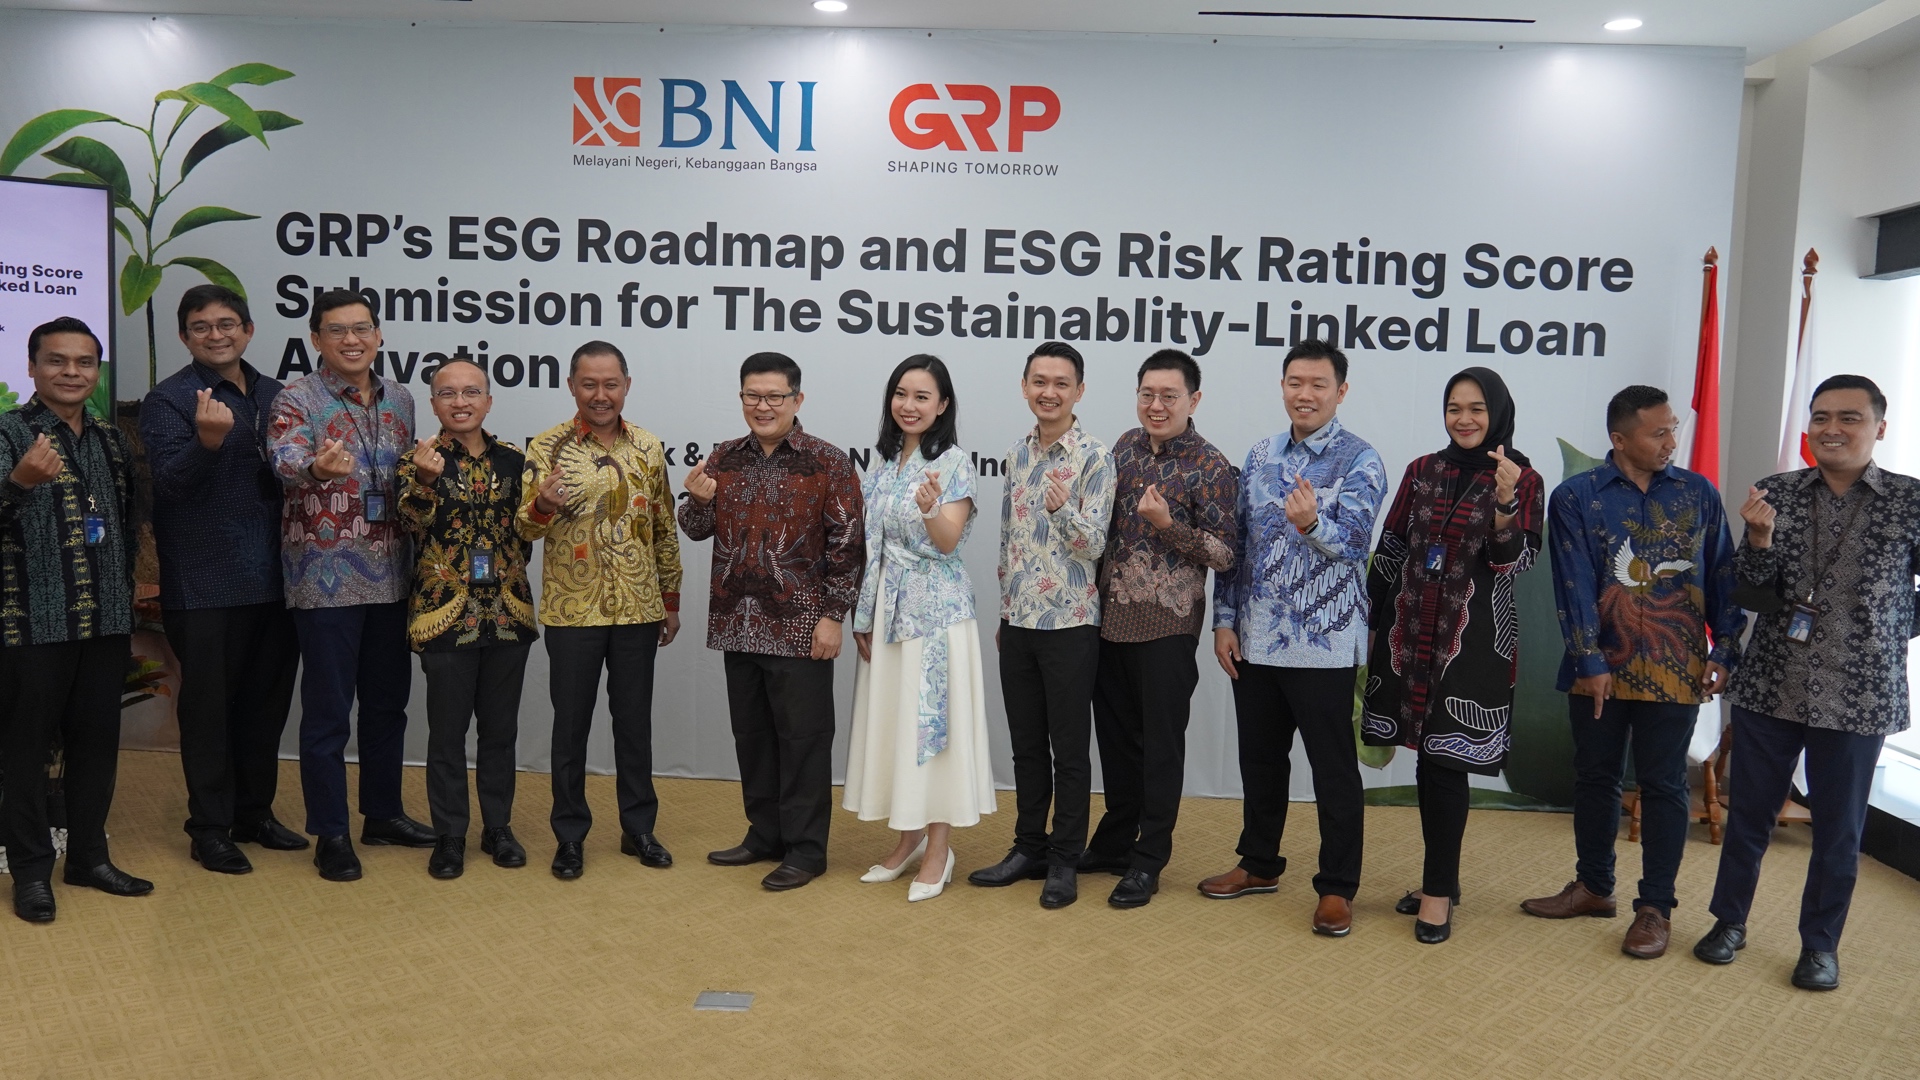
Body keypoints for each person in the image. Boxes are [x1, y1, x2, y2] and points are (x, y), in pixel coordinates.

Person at [1695, 374, 1920, 991]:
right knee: (1749, 817)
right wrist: (1760, 539)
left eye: (1849, 418)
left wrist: (1887, 628)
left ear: (1880, 426)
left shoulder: (1911, 501)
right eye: (1821, 417)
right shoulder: (1776, 493)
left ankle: (1820, 946)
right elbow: (1749, 594)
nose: (1831, 429)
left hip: (1860, 694)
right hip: (1774, 682)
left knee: (1839, 831)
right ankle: (1728, 923)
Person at [1522, 384, 1744, 959]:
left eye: (1674, 429)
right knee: (1595, 777)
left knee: (1664, 783)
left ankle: (1655, 909)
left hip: (1676, 663)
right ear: (1619, 440)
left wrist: (1724, 651)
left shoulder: (1698, 492)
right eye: (1658, 432)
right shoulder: (1577, 496)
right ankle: (1594, 887)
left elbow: (1722, 571)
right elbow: (1572, 582)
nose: (1672, 441)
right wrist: (1589, 658)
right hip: (1597, 662)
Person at [1205, 340, 1387, 937]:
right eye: (1294, 382)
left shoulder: (1360, 460)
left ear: (1341, 391)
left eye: (1318, 384)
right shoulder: (1260, 455)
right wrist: (1224, 620)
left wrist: (1311, 523)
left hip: (1324, 644)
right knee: (1260, 761)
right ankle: (1259, 863)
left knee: (1333, 770)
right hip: (1256, 639)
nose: (1304, 394)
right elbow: (1237, 547)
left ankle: (1337, 887)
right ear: (1282, 386)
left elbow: (1355, 544)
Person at [1361, 367, 1544, 943]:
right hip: (1409, 632)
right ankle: (1441, 880)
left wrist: (1506, 502)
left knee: (1445, 764)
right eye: (1453, 408)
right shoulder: (1422, 470)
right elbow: (1392, 547)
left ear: (1498, 413)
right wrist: (1371, 620)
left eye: (1476, 409)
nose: (1463, 419)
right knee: (1426, 761)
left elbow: (1514, 562)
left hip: (1473, 643)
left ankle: (1438, 893)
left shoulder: (1524, 478)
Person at [679, 352, 864, 892]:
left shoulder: (827, 462)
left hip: (801, 627)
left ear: (796, 400)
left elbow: (849, 545)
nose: (763, 406)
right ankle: (764, 834)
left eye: (774, 397)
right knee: (753, 737)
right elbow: (695, 528)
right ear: (741, 398)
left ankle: (806, 851)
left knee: (804, 740)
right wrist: (696, 501)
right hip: (736, 621)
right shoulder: (723, 457)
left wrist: (832, 616)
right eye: (752, 396)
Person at [269, 289, 432, 881]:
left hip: (392, 578)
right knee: (328, 715)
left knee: (388, 707)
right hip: (326, 581)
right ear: (316, 339)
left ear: (379, 335)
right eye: (336, 330)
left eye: (361, 328)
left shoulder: (402, 399)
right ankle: (331, 833)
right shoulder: (297, 398)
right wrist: (315, 468)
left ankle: (382, 814)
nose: (351, 340)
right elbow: (283, 460)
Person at [141, 285, 303, 875]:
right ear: (185, 336)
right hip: (204, 583)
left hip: (277, 578)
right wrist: (207, 444)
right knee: (209, 711)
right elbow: (169, 487)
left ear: (248, 330)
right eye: (202, 326)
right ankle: (209, 828)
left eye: (227, 323)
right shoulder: (169, 400)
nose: (216, 335)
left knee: (265, 705)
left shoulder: (278, 394)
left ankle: (253, 815)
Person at [0, 317, 150, 922]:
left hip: (105, 618)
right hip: (32, 621)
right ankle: (32, 872)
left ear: (96, 371)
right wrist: (17, 484)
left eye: (84, 362)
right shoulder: (8, 433)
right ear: (32, 367)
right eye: (57, 361)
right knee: (26, 750)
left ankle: (88, 857)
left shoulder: (111, 439)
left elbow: (125, 523)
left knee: (96, 744)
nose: (71, 372)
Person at [518, 341, 681, 880]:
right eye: (589, 384)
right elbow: (523, 528)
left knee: (634, 725)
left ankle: (639, 829)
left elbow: (663, 528)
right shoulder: (546, 447)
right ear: (571, 386)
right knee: (570, 728)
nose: (600, 394)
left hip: (638, 608)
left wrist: (670, 601)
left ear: (627, 386)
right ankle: (569, 836)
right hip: (573, 612)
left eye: (611, 384)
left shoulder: (649, 447)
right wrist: (543, 505)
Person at [1083, 348, 1236, 909]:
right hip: (1109, 621)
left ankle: (1149, 859)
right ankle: (1114, 842)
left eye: (1169, 396)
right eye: (1147, 394)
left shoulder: (1211, 466)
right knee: (1116, 741)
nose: (1157, 405)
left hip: (1168, 627)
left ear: (1193, 400)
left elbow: (1225, 554)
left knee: (1160, 748)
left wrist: (1169, 526)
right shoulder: (1123, 447)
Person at [969, 341, 1115, 909]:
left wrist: (1061, 510)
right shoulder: (1017, 452)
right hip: (1019, 622)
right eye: (1039, 381)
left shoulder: (1095, 457)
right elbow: (1009, 540)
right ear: (1025, 386)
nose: (1048, 392)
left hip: (1071, 624)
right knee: (1026, 745)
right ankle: (1027, 848)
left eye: (1060, 383)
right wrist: (1007, 609)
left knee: (1068, 750)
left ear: (1079, 391)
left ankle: (1064, 858)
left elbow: (1094, 545)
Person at [845, 355, 995, 903]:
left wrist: (932, 510)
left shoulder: (953, 462)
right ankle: (908, 838)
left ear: (943, 405)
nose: (909, 406)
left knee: (934, 730)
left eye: (922, 396)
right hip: (888, 608)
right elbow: (874, 544)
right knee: (897, 723)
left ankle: (939, 849)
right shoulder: (884, 462)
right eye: (901, 394)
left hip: (936, 614)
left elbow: (948, 541)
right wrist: (863, 614)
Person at [397, 358, 538, 879]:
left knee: (500, 732)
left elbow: (528, 532)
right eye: (448, 393)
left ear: (489, 400)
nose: (460, 402)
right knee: (447, 734)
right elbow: (408, 523)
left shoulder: (515, 461)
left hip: (507, 612)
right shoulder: (416, 461)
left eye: (471, 392)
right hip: (444, 614)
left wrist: (546, 505)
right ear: (434, 404)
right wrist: (425, 482)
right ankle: (450, 834)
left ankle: (498, 827)